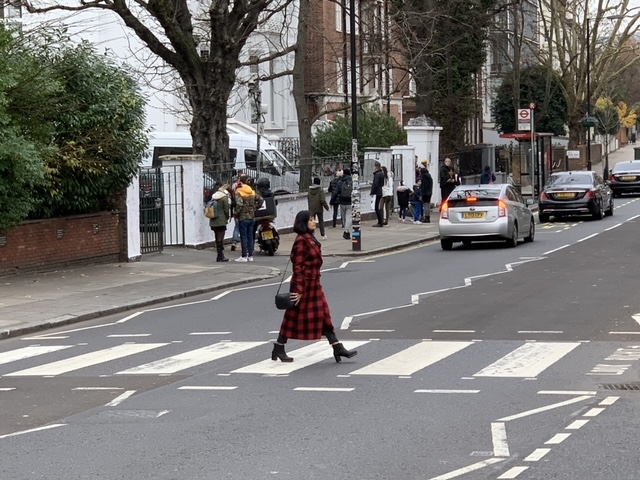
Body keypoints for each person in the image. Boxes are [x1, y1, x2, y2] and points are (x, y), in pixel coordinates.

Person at [272, 210, 358, 363]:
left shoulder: (310, 238)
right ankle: (279, 347)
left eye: (314, 219)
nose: (314, 222)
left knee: (324, 315)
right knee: (292, 317)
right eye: (311, 220)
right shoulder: (301, 240)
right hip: (304, 286)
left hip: (314, 285)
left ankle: (337, 346)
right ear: (303, 223)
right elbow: (297, 267)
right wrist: (299, 290)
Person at [234, 175, 263, 262]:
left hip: (243, 217)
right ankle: (250, 255)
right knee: (250, 236)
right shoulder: (252, 192)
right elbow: (261, 200)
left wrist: (236, 214)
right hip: (252, 217)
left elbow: (239, 204)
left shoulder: (239, 191)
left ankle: (244, 256)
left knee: (244, 237)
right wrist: (255, 208)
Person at [208, 182, 231, 262]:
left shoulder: (213, 197)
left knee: (216, 236)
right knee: (220, 237)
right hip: (221, 220)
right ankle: (220, 255)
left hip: (213, 219)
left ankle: (219, 255)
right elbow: (226, 210)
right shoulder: (224, 198)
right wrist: (227, 218)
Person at [332, 167, 353, 239]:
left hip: (342, 202)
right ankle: (346, 231)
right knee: (349, 216)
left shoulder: (340, 181)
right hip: (350, 202)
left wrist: (332, 201)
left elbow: (336, 192)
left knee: (343, 217)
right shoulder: (353, 181)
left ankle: (345, 228)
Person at [370, 160, 385, 227]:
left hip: (377, 192)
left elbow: (376, 184)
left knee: (376, 207)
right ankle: (380, 221)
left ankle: (380, 222)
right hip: (380, 191)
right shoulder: (381, 173)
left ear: (376, 167)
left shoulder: (377, 174)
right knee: (377, 206)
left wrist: (372, 192)